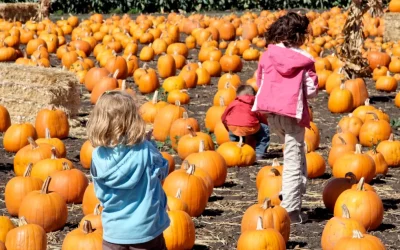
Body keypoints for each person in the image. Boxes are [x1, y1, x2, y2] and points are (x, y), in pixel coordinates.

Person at [251, 12, 318, 224]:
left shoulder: (266, 55)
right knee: (293, 162)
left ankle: (292, 195)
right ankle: (290, 210)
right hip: (292, 115)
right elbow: (312, 89)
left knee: (296, 157)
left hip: (271, 115)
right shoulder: (305, 60)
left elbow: (259, 81)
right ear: (299, 36)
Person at [87, 91, 170, 250]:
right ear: (134, 121)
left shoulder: (97, 156)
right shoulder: (146, 150)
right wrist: (149, 144)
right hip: (146, 231)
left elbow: (100, 193)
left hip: (114, 233)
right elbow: (162, 171)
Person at [221, 85, 270, 160]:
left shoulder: (233, 103)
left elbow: (224, 116)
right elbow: (261, 116)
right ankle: (259, 154)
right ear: (253, 95)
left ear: (237, 95)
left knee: (234, 140)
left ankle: (233, 153)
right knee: (264, 130)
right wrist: (264, 125)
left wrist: (228, 128)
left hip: (232, 126)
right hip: (249, 126)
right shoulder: (254, 104)